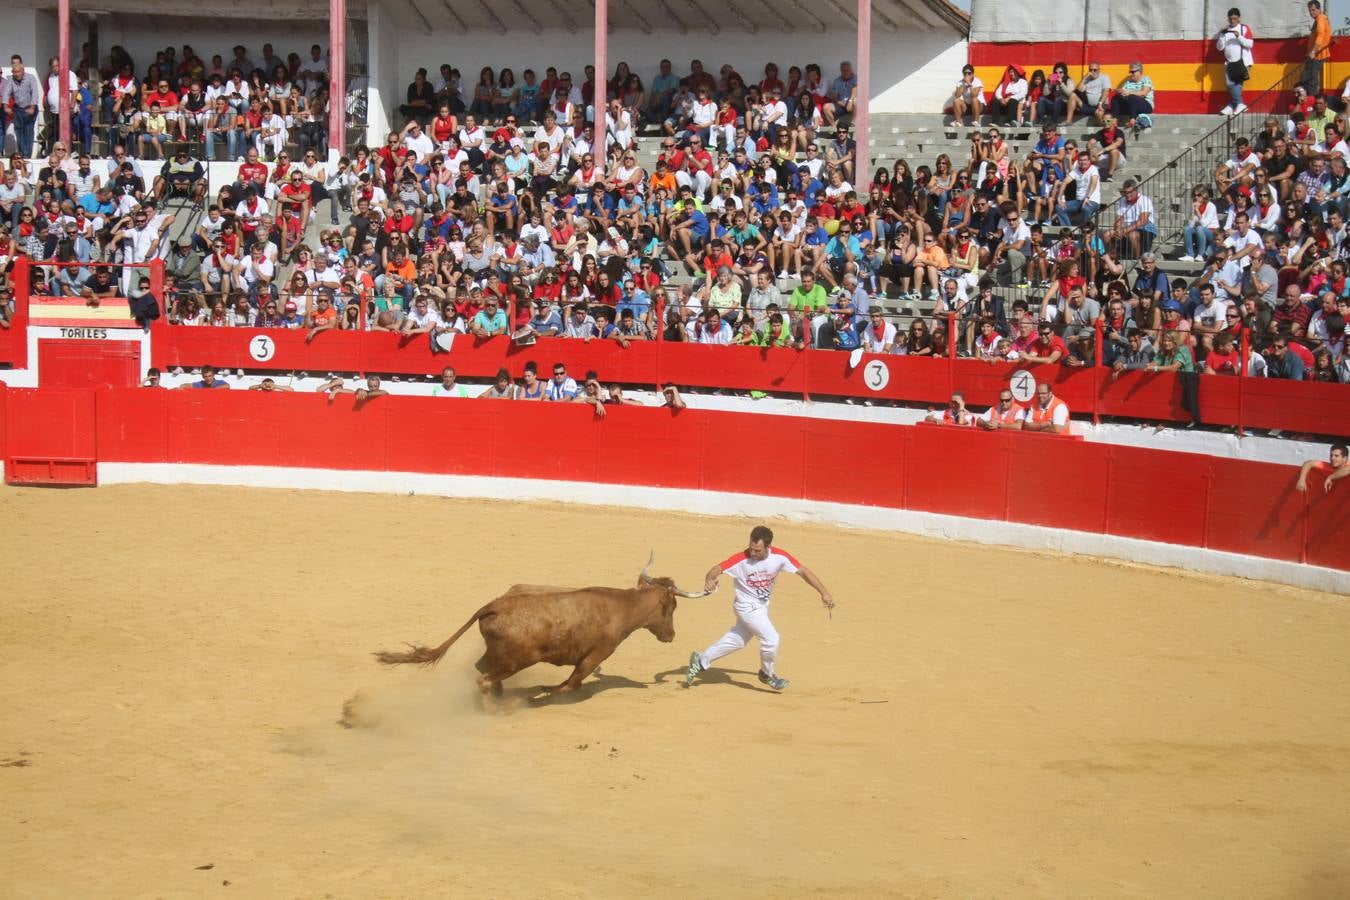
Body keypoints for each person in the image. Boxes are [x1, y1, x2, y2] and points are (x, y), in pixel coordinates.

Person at [685, 525, 836, 693]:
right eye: (751, 548)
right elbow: (716, 569)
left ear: (768, 547)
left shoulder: (780, 557)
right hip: (746, 606)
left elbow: (804, 572)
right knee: (771, 639)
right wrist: (709, 580)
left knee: (738, 640)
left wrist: (824, 592)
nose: (753, 553)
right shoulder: (741, 559)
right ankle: (767, 674)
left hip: (761, 607)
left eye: (757, 550)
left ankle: (701, 659)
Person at [1215, 8, 1255, 115]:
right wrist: (1222, 36)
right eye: (1231, 19)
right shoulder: (1226, 31)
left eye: (1235, 18)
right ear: (1228, 19)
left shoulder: (1244, 28)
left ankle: (1239, 104)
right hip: (1229, 62)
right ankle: (1234, 105)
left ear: (1239, 18)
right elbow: (1219, 47)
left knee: (1231, 84)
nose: (1233, 21)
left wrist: (1239, 37)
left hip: (1242, 62)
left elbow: (1250, 44)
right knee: (1234, 86)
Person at [1303, 0, 1332, 97]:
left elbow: (1320, 36)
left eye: (1313, 10)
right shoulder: (1319, 19)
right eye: (1310, 10)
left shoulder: (1320, 18)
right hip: (1315, 55)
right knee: (1309, 79)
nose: (1311, 12)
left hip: (1317, 56)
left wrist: (1313, 51)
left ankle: (1313, 104)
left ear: (1319, 9)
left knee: (1311, 81)